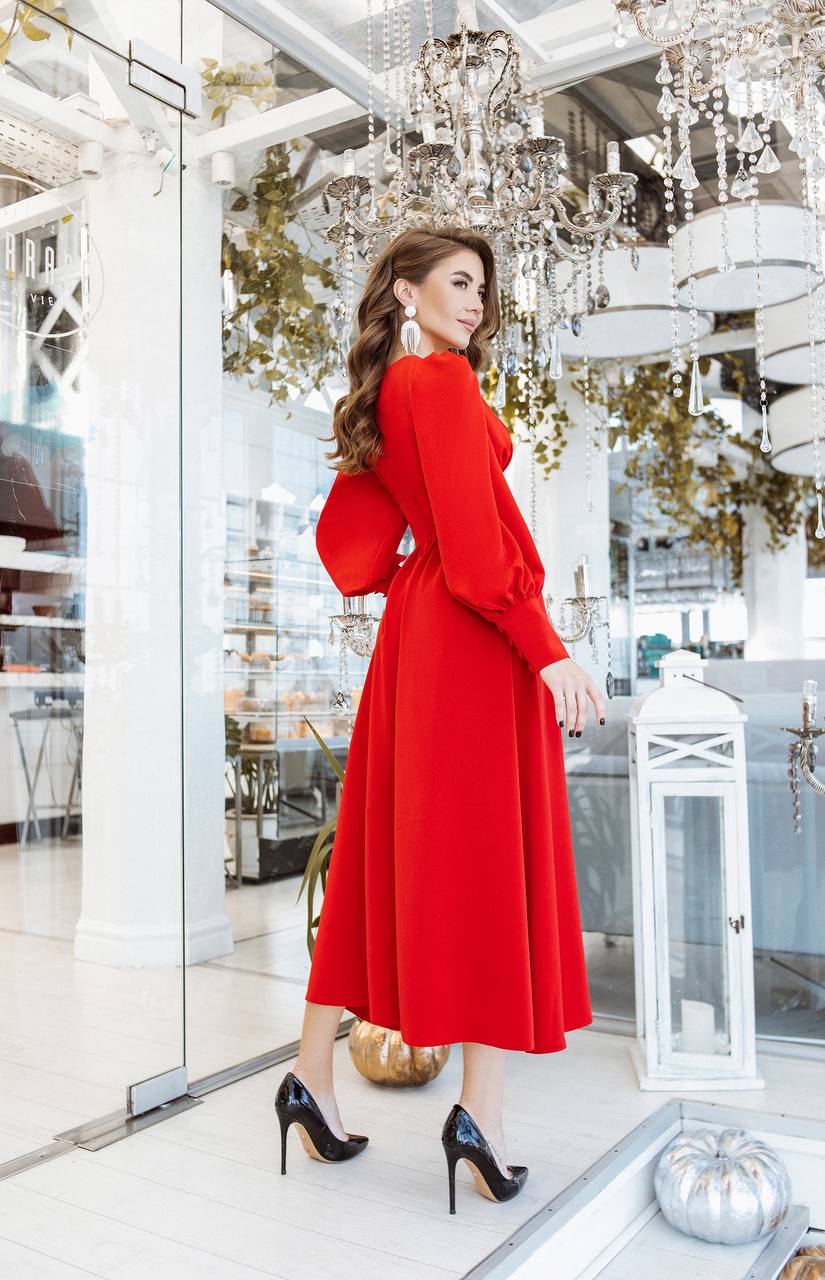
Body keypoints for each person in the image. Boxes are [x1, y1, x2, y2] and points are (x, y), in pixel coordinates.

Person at [276, 224, 605, 1214]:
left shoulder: (389, 394)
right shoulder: (444, 385)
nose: (476, 302)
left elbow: (351, 551)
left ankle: (309, 1078)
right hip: (471, 643)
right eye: (458, 282)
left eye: (482, 289)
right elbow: (476, 551)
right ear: (405, 290)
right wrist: (546, 648)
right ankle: (479, 1117)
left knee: (382, 856)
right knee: (484, 869)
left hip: (419, 639)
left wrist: (416, 555)